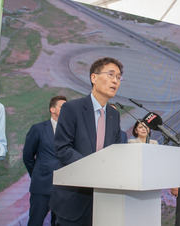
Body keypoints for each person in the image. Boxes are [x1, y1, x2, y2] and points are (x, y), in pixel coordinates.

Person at [50, 57, 123, 225]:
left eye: (118, 77)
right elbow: (62, 148)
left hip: (104, 200)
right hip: (74, 199)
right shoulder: (72, 108)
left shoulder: (114, 115)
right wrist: (94, 168)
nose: (115, 81)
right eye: (111, 74)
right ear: (94, 78)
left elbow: (116, 152)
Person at [23, 96, 67, 226]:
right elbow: (28, 156)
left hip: (63, 189)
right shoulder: (38, 129)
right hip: (42, 187)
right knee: (35, 222)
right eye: (62, 107)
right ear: (52, 109)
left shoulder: (70, 131)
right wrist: (37, 174)